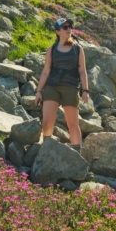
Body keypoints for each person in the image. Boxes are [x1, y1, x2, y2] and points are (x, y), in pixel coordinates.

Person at [35, 18, 89, 152]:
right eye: (65, 27)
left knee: (73, 124)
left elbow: (82, 71)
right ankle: (46, 150)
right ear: (57, 31)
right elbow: (46, 72)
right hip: (52, 87)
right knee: (47, 122)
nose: (69, 29)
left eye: (70, 26)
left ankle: (77, 154)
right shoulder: (51, 50)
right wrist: (38, 91)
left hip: (70, 88)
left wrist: (85, 90)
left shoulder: (78, 49)